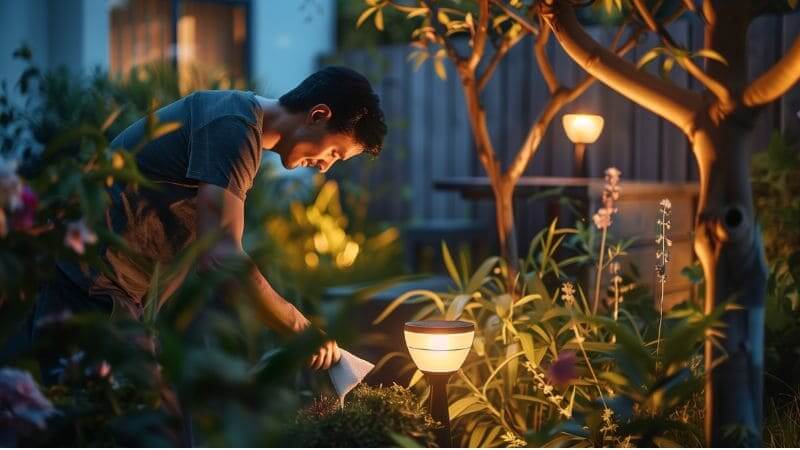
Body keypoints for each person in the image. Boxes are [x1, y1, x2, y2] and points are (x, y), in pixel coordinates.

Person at [32, 66, 387, 378]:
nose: (326, 166)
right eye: (335, 153)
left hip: (112, 293)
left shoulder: (237, 123)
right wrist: (299, 327)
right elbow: (221, 256)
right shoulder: (233, 126)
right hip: (89, 287)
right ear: (318, 115)